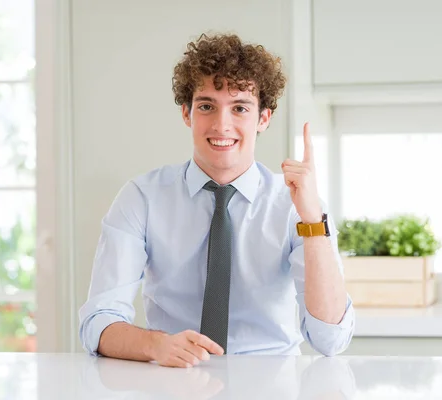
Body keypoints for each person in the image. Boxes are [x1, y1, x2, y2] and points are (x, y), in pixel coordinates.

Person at [78, 32, 355, 368]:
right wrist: (157, 345)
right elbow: (98, 323)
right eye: (207, 106)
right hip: (174, 379)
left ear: (263, 118)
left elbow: (330, 340)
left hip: (272, 382)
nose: (222, 125)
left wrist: (313, 221)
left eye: (240, 108)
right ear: (187, 113)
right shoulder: (142, 198)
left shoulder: (296, 205)